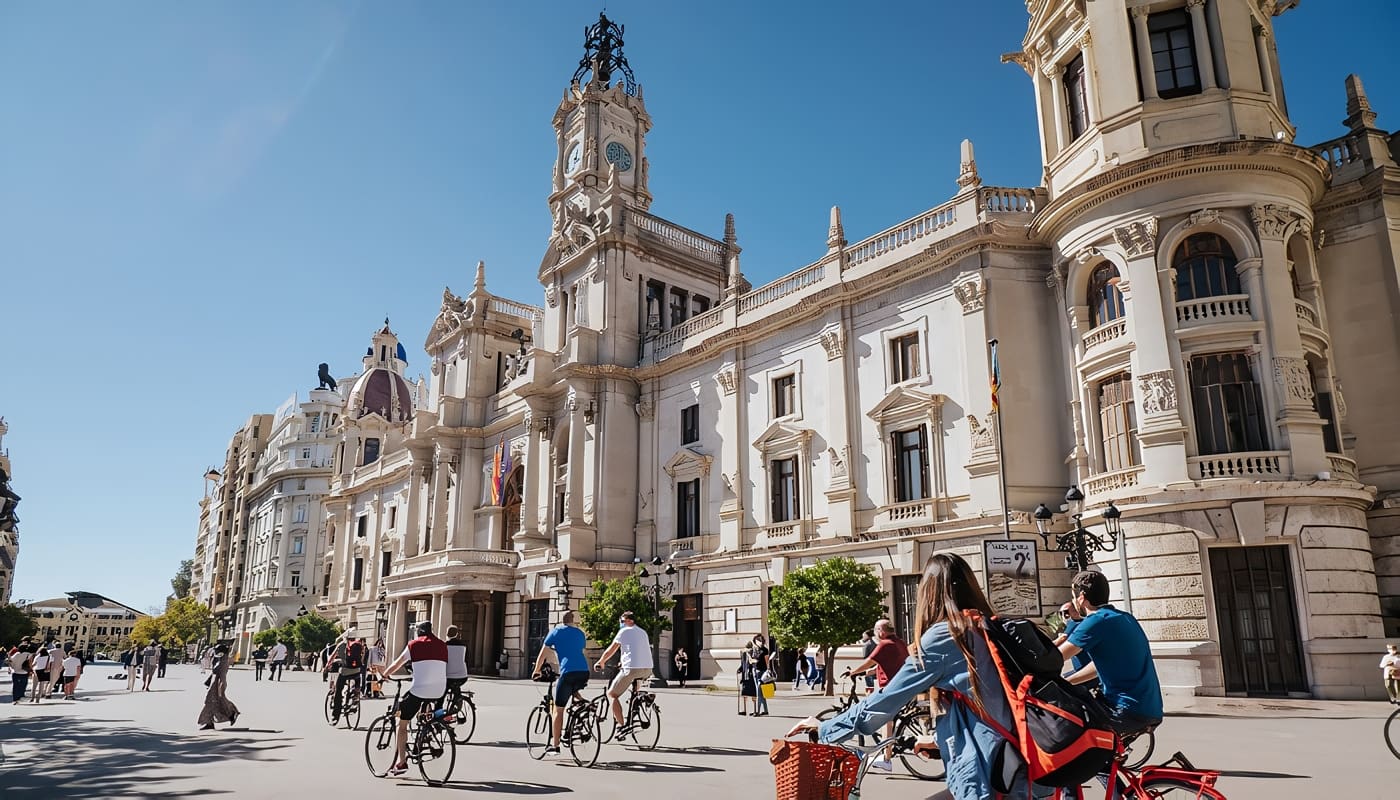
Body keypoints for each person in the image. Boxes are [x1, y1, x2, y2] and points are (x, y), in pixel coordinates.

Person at [787, 552, 1040, 800]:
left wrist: (825, 728)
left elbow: (885, 701)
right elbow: (993, 702)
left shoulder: (946, 636)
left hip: (993, 775)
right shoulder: (990, 626)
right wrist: (942, 741)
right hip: (1023, 767)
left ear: (929, 594)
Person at [1058, 570, 1163, 738]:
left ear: (1081, 597)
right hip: (1150, 709)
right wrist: (1066, 682)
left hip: (1124, 710)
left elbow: (1054, 657)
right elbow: (1101, 666)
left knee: (1063, 726)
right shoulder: (1125, 617)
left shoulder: (1095, 621)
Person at [372, 621, 448, 778]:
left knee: (402, 723)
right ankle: (426, 733)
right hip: (440, 690)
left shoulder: (414, 644)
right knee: (425, 709)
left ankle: (401, 763)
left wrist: (384, 676)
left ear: (419, 632)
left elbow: (397, 663)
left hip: (420, 690)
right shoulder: (442, 645)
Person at [843, 619, 909, 771]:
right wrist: (870, 672)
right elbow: (886, 663)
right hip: (899, 686)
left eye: (875, 631)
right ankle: (885, 752)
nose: (874, 634)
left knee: (886, 722)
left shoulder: (885, 644)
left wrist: (853, 672)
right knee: (887, 721)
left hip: (889, 689)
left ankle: (886, 759)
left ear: (881, 631)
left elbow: (869, 661)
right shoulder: (899, 642)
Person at [532, 610, 590, 756]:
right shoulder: (580, 633)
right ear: (573, 620)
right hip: (584, 671)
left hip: (568, 672)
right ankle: (584, 704)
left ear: (561, 620)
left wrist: (537, 670)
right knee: (573, 689)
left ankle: (555, 746)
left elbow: (543, 653)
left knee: (558, 710)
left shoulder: (556, 631)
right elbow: (577, 650)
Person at [594, 611, 653, 733]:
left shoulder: (624, 631)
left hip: (632, 669)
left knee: (612, 695)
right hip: (647, 668)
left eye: (622, 621)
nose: (621, 624)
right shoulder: (642, 632)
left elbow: (612, 649)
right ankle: (642, 697)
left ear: (630, 621)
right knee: (635, 689)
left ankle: (621, 726)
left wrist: (601, 661)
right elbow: (635, 650)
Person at [198, 643, 240, 730]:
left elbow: (223, 675)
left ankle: (232, 712)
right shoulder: (219, 659)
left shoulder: (224, 662)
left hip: (218, 684)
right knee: (210, 702)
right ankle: (209, 722)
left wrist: (222, 686)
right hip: (213, 683)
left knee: (220, 701)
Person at [330, 634, 366, 724]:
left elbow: (332, 656)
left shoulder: (341, 645)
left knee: (338, 691)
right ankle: (355, 699)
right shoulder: (360, 645)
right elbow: (362, 660)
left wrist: (327, 666)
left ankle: (335, 716)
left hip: (345, 672)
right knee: (356, 684)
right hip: (357, 671)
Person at [443, 626, 468, 710]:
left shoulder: (444, 645)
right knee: (456, 685)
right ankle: (457, 700)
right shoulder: (464, 645)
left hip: (448, 677)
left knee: (441, 695)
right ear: (457, 634)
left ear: (446, 634)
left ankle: (438, 712)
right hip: (463, 676)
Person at [748, 634, 771, 717]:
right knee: (761, 692)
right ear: (755, 641)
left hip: (762, 672)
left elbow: (767, 661)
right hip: (755, 671)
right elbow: (750, 661)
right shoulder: (754, 650)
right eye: (759, 641)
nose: (761, 642)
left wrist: (768, 670)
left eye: (762, 641)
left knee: (759, 691)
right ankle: (765, 711)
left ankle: (757, 711)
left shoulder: (764, 650)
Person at [858, 630, 877, 695]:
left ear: (867, 636)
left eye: (864, 636)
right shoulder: (877, 643)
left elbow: (865, 657)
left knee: (869, 687)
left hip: (869, 668)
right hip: (878, 667)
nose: (863, 638)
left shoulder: (867, 644)